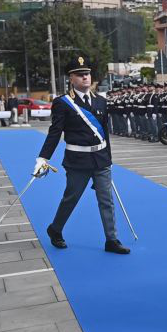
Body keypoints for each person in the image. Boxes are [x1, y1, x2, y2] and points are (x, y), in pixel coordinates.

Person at [34, 55, 130, 254]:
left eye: (87, 74)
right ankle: (55, 229)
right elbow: (55, 132)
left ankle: (111, 239)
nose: (85, 77)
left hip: (101, 159)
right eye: (80, 75)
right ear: (71, 78)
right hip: (77, 161)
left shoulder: (101, 102)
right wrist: (43, 158)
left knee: (106, 200)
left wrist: (109, 160)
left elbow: (105, 134)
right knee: (71, 198)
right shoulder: (63, 103)